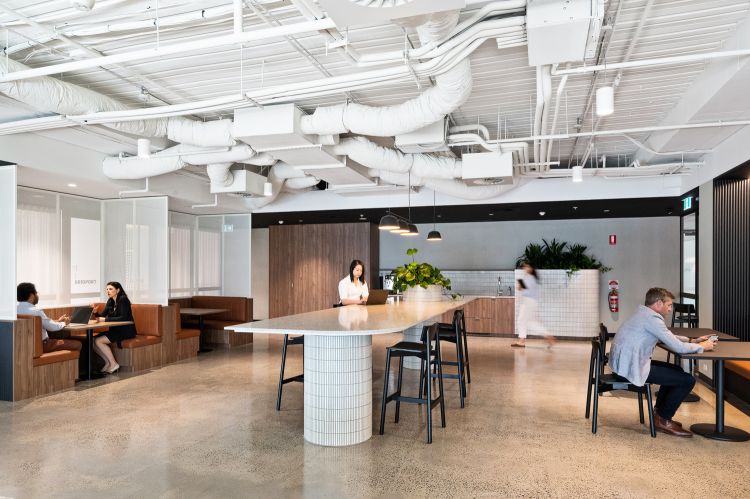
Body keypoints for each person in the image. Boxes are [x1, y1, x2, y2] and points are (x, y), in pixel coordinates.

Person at [609, 287, 716, 437]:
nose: (671, 309)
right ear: (658, 303)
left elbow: (666, 335)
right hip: (631, 369)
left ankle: (659, 414)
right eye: (669, 305)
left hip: (627, 364)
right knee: (687, 380)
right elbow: (677, 346)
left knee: (676, 371)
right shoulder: (651, 318)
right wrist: (701, 346)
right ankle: (664, 420)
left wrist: (692, 340)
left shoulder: (644, 314)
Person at [16, 282, 83, 357]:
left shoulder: (13, 310)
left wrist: (58, 321)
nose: (37, 295)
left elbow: (44, 322)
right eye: (36, 293)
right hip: (43, 345)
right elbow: (51, 327)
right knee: (78, 344)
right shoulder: (36, 311)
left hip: (22, 346)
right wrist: (64, 323)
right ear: (31, 295)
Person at [91, 281, 136, 374]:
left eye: (110, 289)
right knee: (92, 340)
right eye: (107, 289)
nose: (108, 291)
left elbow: (123, 317)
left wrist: (105, 320)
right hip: (115, 330)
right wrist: (95, 312)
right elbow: (103, 316)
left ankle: (114, 363)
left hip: (126, 330)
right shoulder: (110, 301)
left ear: (118, 290)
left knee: (98, 341)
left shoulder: (123, 300)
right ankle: (108, 363)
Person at [512, 262, 555, 347]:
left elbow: (527, 292)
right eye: (524, 267)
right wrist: (521, 287)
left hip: (528, 301)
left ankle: (522, 341)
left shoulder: (529, 278)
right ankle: (547, 335)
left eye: (527, 267)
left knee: (522, 320)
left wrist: (520, 288)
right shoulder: (531, 277)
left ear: (531, 268)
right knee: (529, 321)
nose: (525, 268)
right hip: (531, 302)